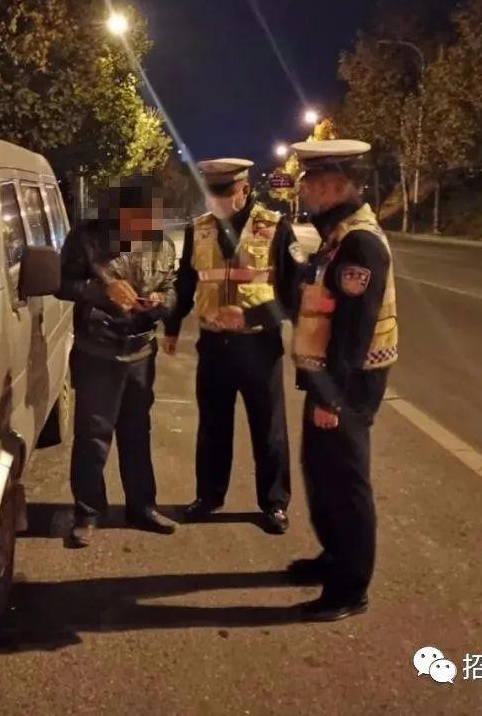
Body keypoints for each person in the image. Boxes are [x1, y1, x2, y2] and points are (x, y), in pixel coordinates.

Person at [285, 139, 398, 622]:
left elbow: (354, 329)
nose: (303, 193)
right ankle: (333, 557)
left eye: (309, 184)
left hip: (349, 384)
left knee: (346, 482)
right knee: (321, 471)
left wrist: (330, 396)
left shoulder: (359, 242)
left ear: (333, 187)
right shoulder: (338, 235)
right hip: (331, 380)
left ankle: (351, 588)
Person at [163, 158, 303, 535]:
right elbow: (186, 282)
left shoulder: (275, 227)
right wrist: (172, 327)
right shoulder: (199, 229)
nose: (217, 202)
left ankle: (274, 503)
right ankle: (208, 496)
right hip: (214, 346)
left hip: (260, 346)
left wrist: (252, 316)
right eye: (211, 194)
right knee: (213, 427)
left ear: (244, 190)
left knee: (268, 428)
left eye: (224, 194)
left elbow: (294, 295)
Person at [57, 176, 179, 548]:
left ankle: (142, 507)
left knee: (136, 433)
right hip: (98, 352)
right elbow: (62, 284)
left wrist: (162, 302)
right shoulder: (87, 238)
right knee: (93, 437)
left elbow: (171, 287)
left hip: (141, 352)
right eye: (138, 219)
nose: (146, 227)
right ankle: (88, 513)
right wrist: (102, 290)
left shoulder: (161, 244)